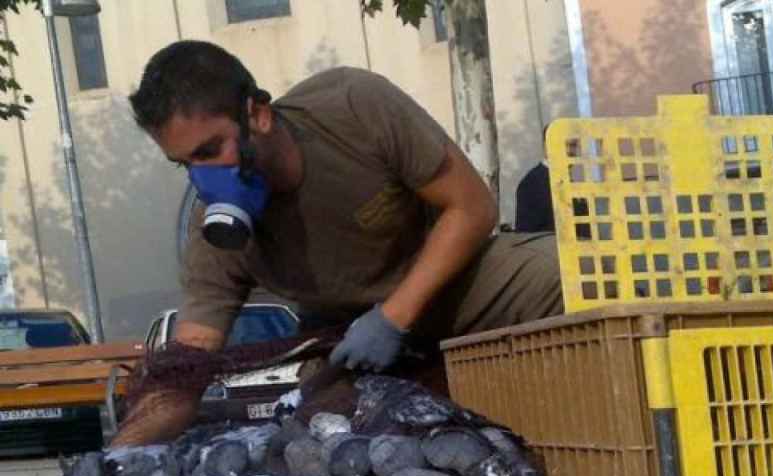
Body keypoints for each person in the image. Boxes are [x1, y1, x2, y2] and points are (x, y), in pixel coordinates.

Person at [116, 41, 562, 445]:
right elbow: (190, 361)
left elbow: (472, 208)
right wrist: (112, 463)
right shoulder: (214, 231)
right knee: (318, 444)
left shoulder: (352, 106)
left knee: (561, 275)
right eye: (185, 164)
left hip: (453, 282)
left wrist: (392, 319)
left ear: (258, 115)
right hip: (347, 343)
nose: (202, 177)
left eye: (211, 150)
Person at [514, 124, 556, 233]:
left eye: (574, 145)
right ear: (547, 146)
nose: (571, 151)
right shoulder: (530, 184)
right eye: (566, 145)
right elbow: (526, 234)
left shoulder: (573, 182)